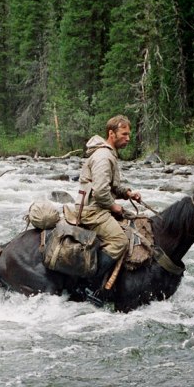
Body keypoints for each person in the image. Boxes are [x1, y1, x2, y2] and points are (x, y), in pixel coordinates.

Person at [76, 115, 142, 295]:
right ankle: (91, 285)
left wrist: (128, 193)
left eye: (129, 134)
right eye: (124, 134)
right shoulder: (104, 156)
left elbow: (111, 186)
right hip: (93, 211)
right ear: (111, 133)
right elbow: (100, 192)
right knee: (120, 241)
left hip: (97, 207)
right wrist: (114, 206)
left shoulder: (108, 154)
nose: (128, 138)